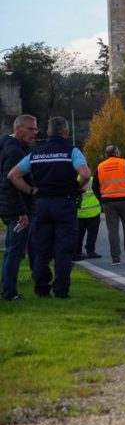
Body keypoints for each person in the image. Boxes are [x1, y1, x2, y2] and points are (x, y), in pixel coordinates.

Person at [8, 116, 90, 299]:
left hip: (41, 204)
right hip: (65, 203)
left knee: (41, 249)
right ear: (66, 133)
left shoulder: (36, 153)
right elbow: (85, 173)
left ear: (49, 132)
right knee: (63, 249)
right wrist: (76, 187)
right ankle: (61, 290)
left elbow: (13, 175)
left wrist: (31, 190)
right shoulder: (72, 151)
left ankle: (41, 287)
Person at [1, 115, 38, 301]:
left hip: (12, 207)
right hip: (17, 210)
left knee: (14, 249)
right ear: (18, 129)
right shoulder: (14, 151)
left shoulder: (11, 147)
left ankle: (9, 288)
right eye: (30, 129)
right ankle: (9, 292)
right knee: (15, 251)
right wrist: (21, 211)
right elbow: (10, 183)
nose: (35, 132)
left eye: (36, 129)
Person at [94, 144, 125, 265]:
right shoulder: (124, 163)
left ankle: (116, 258)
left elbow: (94, 186)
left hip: (108, 202)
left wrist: (101, 199)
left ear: (106, 154)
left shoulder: (100, 166)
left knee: (112, 230)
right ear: (117, 152)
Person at [73, 178, 102, 261]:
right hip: (93, 212)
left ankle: (78, 251)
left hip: (80, 213)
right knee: (92, 234)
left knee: (79, 233)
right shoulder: (94, 180)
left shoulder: (75, 180)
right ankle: (90, 251)